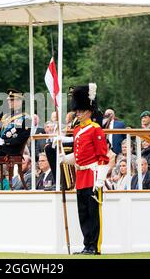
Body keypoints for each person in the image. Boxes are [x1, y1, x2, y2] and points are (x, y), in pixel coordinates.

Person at [60, 83, 109, 255]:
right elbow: (79, 155)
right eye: (77, 110)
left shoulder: (96, 129)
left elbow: (103, 156)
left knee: (93, 214)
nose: (78, 113)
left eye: (81, 110)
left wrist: (100, 179)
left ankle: (94, 247)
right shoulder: (77, 130)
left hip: (93, 175)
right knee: (83, 213)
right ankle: (86, 244)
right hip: (81, 175)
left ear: (89, 110)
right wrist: (65, 159)